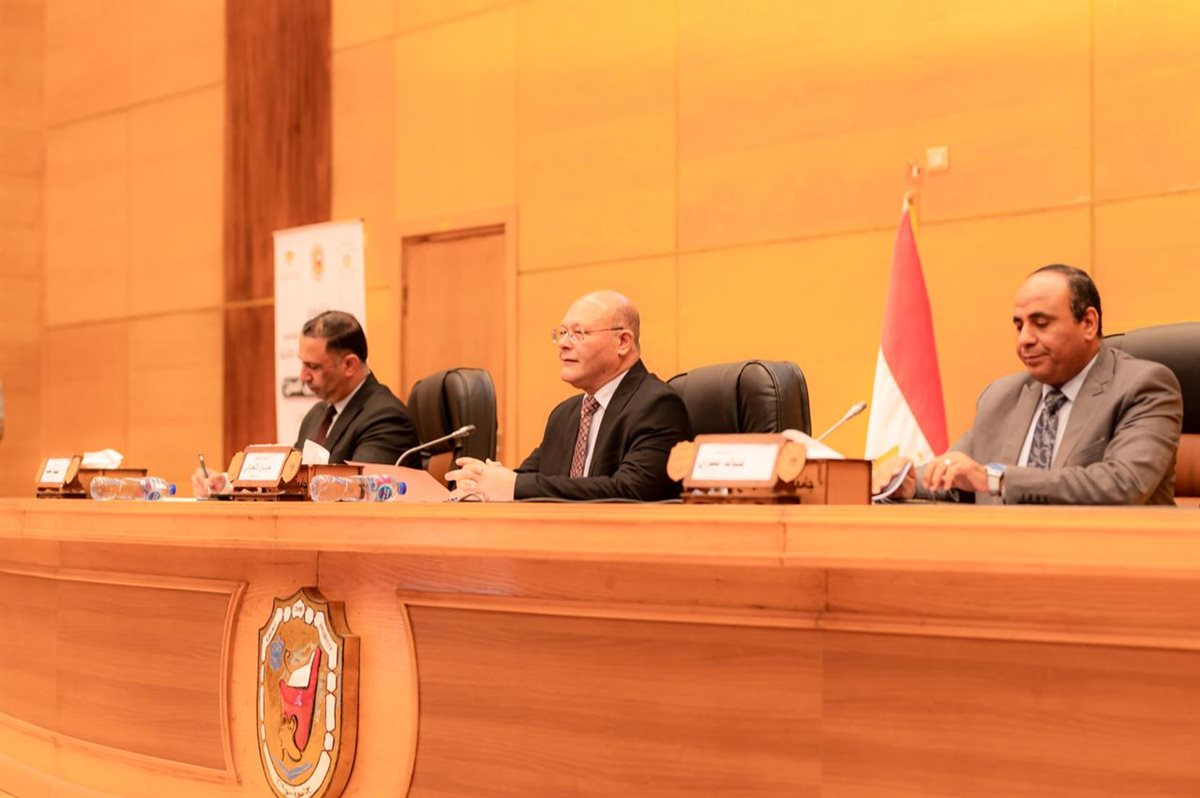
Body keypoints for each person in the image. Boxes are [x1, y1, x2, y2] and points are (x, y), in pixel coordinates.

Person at [874, 264, 1182, 505]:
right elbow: (957, 475)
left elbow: (1123, 484)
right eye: (1019, 326)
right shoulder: (1000, 396)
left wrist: (996, 479)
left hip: (1108, 556)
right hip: (1006, 554)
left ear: (1089, 323)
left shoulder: (1143, 387)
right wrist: (907, 480)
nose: (1024, 340)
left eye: (1041, 324)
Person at [446, 290, 692, 501]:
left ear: (623, 342)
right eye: (562, 332)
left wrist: (513, 485)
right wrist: (482, 483)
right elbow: (529, 478)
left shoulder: (657, 406)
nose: (562, 343)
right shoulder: (565, 414)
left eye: (578, 333)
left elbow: (630, 491)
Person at [193, 310, 418, 496]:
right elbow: (290, 480)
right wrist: (228, 484)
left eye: (314, 367)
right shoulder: (318, 414)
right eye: (303, 364)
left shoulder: (386, 418)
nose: (303, 377)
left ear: (349, 365)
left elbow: (358, 492)